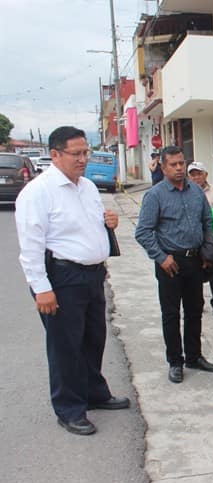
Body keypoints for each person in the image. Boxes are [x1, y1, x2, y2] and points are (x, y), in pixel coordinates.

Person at [15, 125, 130, 435]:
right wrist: (42, 289)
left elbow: (90, 227)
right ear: (55, 155)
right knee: (66, 346)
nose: (83, 159)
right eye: (76, 154)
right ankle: (69, 408)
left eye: (85, 152)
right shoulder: (38, 193)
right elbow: (31, 247)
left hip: (92, 275)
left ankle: (94, 393)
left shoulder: (87, 187)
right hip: (62, 277)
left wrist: (110, 222)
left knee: (93, 339)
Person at [135, 146, 213, 384]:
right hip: (170, 263)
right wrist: (161, 257)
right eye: (173, 164)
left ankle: (194, 356)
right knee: (171, 314)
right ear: (163, 167)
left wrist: (207, 251)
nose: (179, 168)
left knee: (195, 310)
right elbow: (143, 232)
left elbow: (208, 222)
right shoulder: (155, 195)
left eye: (182, 163)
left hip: (195, 259)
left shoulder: (195, 192)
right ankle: (175, 361)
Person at [188, 161, 213, 316]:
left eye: (199, 174)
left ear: (205, 175)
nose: (196, 177)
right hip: (194, 238)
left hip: (212, 238)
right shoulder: (185, 192)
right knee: (194, 273)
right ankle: (197, 303)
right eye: (193, 174)